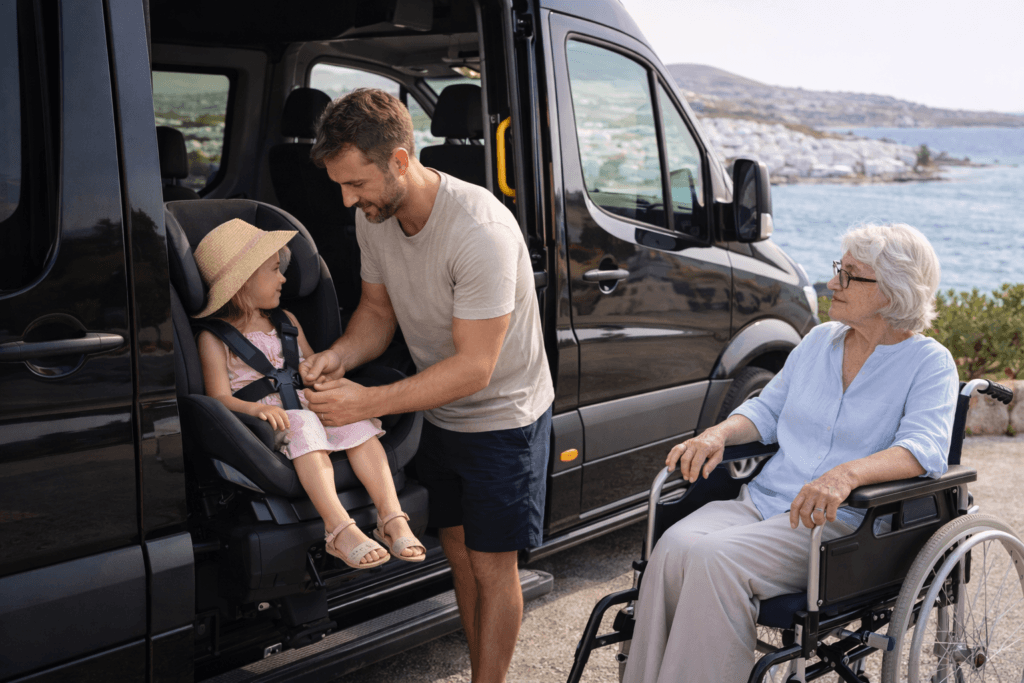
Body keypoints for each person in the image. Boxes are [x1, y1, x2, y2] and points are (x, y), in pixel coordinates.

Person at [622, 223, 960, 683]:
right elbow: (766, 410)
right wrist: (718, 434)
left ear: (891, 290)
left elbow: (923, 449)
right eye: (838, 269)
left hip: (834, 524)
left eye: (849, 275)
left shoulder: (929, 363)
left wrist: (846, 475)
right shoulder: (820, 342)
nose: (833, 282)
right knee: (672, 548)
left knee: (714, 560)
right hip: (765, 501)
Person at [298, 88, 554, 683]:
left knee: (493, 568)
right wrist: (337, 356)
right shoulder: (375, 217)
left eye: (355, 183)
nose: (347, 199)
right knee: (460, 558)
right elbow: (376, 312)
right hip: (439, 412)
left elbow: (474, 368)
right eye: (340, 185)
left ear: (399, 160)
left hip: (503, 419)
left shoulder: (480, 231)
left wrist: (365, 402)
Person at [193, 218, 425, 570]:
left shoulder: (286, 320)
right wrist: (253, 411)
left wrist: (321, 375)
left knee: (353, 419)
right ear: (244, 280)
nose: (284, 278)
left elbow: (308, 363)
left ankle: (391, 517)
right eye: (274, 270)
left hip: (306, 405)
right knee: (303, 424)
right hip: (270, 424)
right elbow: (219, 399)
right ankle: (339, 529)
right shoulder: (214, 339)